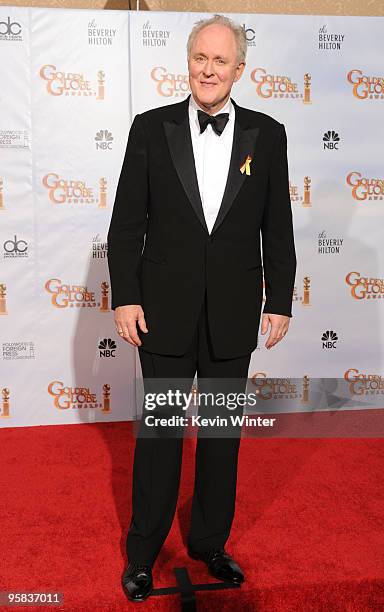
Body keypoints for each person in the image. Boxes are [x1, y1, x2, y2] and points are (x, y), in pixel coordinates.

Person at [107, 13, 296, 602]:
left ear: (240, 69)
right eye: (200, 58)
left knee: (219, 438)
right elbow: (125, 225)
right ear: (187, 61)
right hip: (161, 311)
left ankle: (210, 545)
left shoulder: (268, 135)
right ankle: (143, 553)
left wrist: (281, 300)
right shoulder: (149, 129)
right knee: (160, 436)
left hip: (233, 314)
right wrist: (126, 295)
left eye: (221, 61)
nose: (208, 70)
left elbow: (279, 228)